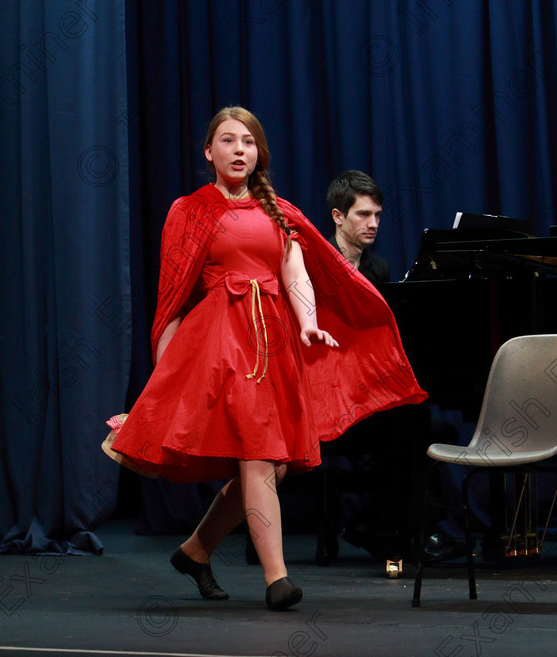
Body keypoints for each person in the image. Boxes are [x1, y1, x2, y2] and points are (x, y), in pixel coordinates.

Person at [102, 108, 427, 610]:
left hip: (272, 345)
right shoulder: (187, 211)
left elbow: (295, 272)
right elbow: (172, 298)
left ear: (259, 154)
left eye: (248, 142)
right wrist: (164, 378)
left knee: (271, 468)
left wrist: (308, 321)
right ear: (209, 152)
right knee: (258, 456)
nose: (238, 150)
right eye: (227, 141)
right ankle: (278, 580)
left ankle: (196, 550)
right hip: (219, 345)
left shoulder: (279, 211)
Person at [324, 170, 431, 566]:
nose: (373, 224)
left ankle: (390, 529)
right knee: (409, 423)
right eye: (363, 215)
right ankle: (388, 530)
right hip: (327, 387)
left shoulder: (378, 269)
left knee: (418, 417)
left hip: (362, 385)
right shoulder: (316, 262)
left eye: (378, 215)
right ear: (338, 216)